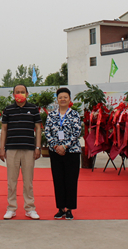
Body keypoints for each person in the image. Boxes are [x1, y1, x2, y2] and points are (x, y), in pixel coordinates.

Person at [0, 84, 42, 220]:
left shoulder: (33, 109)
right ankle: (11, 208)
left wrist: (38, 147)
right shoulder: (8, 110)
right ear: (13, 95)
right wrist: (2, 148)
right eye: (17, 92)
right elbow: (4, 129)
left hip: (29, 149)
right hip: (12, 149)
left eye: (22, 92)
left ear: (27, 94)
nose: (20, 94)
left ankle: (30, 208)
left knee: (28, 181)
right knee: (11, 181)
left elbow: (38, 128)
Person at [44, 87, 82, 220]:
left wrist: (65, 146)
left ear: (70, 99)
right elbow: (47, 132)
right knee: (58, 180)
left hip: (72, 152)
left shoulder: (75, 114)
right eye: (60, 97)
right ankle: (60, 208)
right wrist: (55, 146)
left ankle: (70, 209)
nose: (63, 99)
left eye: (65, 97)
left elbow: (77, 132)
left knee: (71, 180)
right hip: (55, 152)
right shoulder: (51, 115)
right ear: (57, 100)